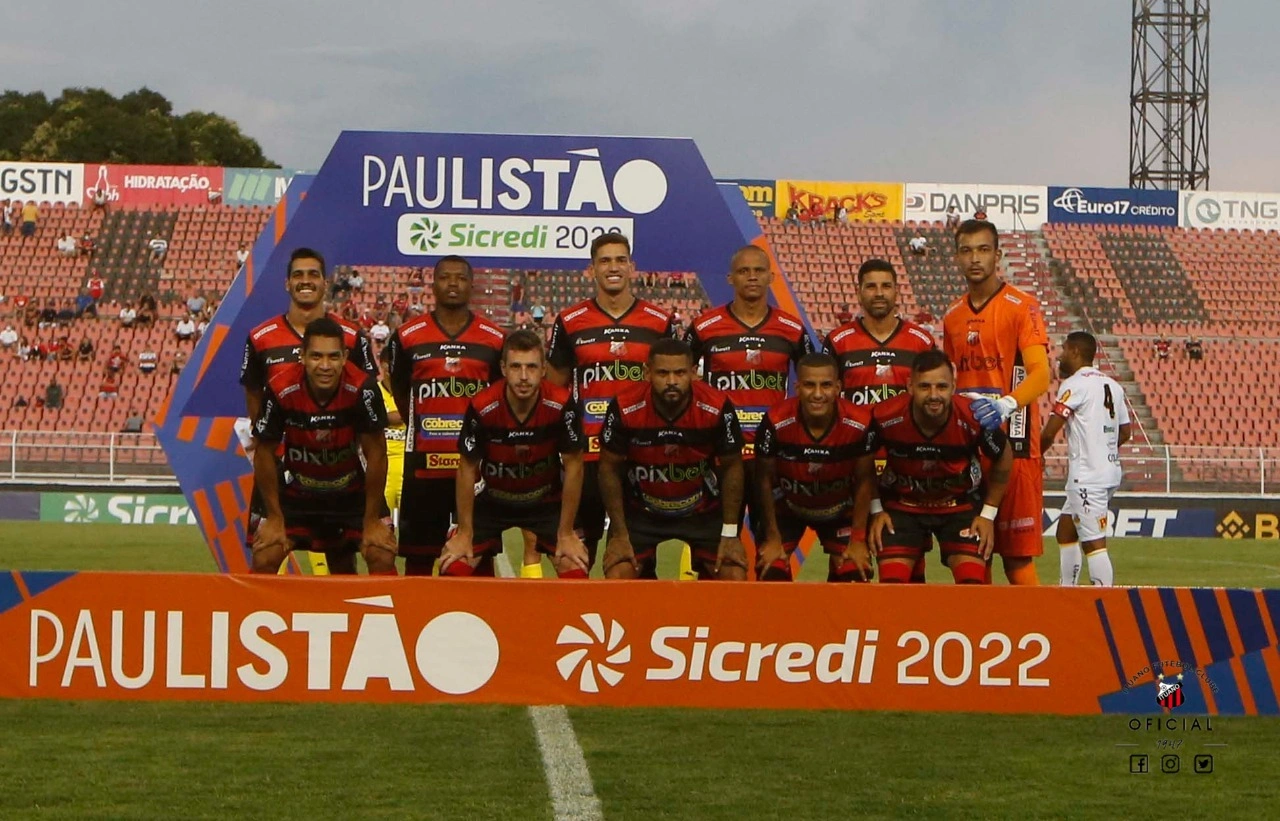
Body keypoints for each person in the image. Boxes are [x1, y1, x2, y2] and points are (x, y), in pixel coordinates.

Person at [546, 231, 678, 575]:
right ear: (592, 269)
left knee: (635, 563)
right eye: (605, 261)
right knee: (571, 560)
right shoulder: (570, 322)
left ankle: (640, 627)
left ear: (632, 267)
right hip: (586, 458)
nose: (613, 267)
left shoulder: (660, 322)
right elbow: (553, 393)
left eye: (620, 260)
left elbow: (674, 389)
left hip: (640, 457)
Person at [241, 247, 378, 563]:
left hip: (338, 467)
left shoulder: (352, 337)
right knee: (265, 553)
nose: (306, 281)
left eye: (313, 274)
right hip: (283, 470)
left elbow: (366, 395)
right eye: (298, 275)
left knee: (343, 560)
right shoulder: (261, 337)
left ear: (325, 283)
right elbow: (253, 395)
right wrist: (269, 443)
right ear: (287, 283)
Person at [941, 219, 1050, 586]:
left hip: (1015, 448)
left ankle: (1037, 635)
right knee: (974, 556)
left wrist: (1006, 405)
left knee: (1017, 561)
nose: (975, 258)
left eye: (983, 250)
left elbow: (1041, 374)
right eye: (967, 250)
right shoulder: (952, 316)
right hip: (970, 451)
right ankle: (981, 637)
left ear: (998, 255)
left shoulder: (1022, 307)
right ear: (956, 257)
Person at [687, 245, 813, 550]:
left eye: (758, 271)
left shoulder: (792, 329)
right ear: (731, 278)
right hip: (721, 454)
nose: (752, 277)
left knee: (773, 546)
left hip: (770, 455)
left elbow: (814, 379)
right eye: (744, 271)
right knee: (714, 548)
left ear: (771, 276)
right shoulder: (705, 327)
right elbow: (679, 373)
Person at [386, 255, 504, 577]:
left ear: (471, 285)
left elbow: (498, 398)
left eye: (460, 278)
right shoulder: (408, 336)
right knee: (418, 561)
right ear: (432, 284)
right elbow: (398, 386)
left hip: (476, 469)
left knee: (480, 560)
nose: (453, 284)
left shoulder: (494, 338)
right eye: (445, 278)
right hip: (423, 467)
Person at [250, 317, 396, 575]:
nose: (325, 366)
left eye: (333, 357)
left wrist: (372, 519)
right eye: (316, 356)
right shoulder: (281, 388)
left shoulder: (364, 389)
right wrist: (274, 516)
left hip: (351, 494)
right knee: (264, 558)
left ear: (345, 357)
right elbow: (263, 452)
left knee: (381, 554)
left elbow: (377, 455)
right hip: (298, 494)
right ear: (302, 357)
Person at [441, 330, 590, 578]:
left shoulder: (562, 404)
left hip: (544, 502)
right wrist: (465, 533)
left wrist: (565, 533)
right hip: (493, 502)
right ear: (503, 368)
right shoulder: (482, 405)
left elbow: (574, 465)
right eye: (516, 367)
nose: (523, 377)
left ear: (543, 369)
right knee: (454, 567)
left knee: (576, 569)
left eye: (531, 367)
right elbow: (466, 468)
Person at [861, 351, 1013, 584]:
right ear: (910, 386)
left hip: (959, 506)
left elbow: (1003, 456)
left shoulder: (973, 417)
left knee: (972, 585)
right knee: (892, 587)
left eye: (941, 387)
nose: (934, 395)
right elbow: (862, 459)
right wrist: (876, 509)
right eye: (925, 387)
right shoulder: (885, 416)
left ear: (954, 386)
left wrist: (988, 515)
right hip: (903, 507)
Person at [598, 338, 745, 580]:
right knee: (618, 573)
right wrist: (620, 535)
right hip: (641, 512)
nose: (672, 381)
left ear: (694, 373)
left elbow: (732, 467)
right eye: (663, 373)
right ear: (647, 373)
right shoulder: (625, 407)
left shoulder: (717, 406)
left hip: (702, 512)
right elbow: (608, 469)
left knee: (734, 575)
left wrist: (730, 534)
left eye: (680, 373)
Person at [754, 354, 875, 582]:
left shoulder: (860, 422)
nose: (818, 394)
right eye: (809, 385)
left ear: (838, 387)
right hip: (788, 508)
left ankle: (834, 616)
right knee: (771, 570)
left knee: (854, 572)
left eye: (826, 385)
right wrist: (772, 537)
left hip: (840, 510)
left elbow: (864, 481)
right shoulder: (775, 420)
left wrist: (858, 539)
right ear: (797, 387)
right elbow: (764, 481)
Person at [1040, 332, 1131, 587]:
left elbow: (1050, 431)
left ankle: (1105, 601)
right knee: (1066, 531)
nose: (1060, 356)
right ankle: (1066, 590)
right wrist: (1102, 449)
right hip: (1108, 471)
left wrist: (1034, 455)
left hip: (1087, 477)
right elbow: (1125, 431)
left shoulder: (1074, 384)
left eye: (1065, 350)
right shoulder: (1113, 385)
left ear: (1076, 352)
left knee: (1093, 542)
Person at [376, 346, 406, 527]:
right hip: (382, 465)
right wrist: (390, 417)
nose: (392, 369)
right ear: (382, 365)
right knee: (382, 528)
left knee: (414, 529)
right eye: (389, 364)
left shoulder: (410, 392)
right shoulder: (373, 391)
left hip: (407, 464)